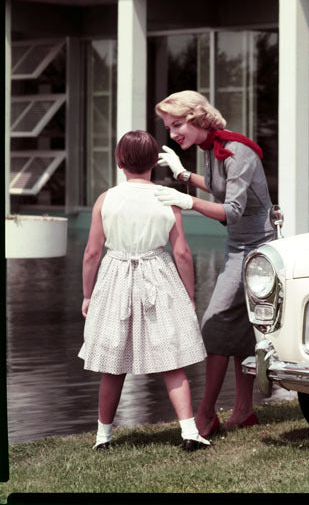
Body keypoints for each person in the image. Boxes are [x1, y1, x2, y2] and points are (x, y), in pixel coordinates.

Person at [153, 90, 275, 439]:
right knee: (241, 330)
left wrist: (187, 201)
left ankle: (205, 415)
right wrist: (184, 176)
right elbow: (222, 189)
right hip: (237, 244)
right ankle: (243, 411)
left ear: (197, 117)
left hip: (259, 248)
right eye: (168, 127)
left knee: (216, 323)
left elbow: (232, 209)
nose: (173, 134)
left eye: (178, 124)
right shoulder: (212, 149)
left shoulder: (239, 150)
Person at [78, 130, 210, 452]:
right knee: (172, 357)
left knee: (113, 363)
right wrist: (189, 294)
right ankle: (189, 431)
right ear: (155, 162)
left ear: (118, 161)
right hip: (158, 274)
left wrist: (87, 294)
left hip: (115, 276)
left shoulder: (106, 199)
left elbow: (92, 253)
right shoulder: (166, 198)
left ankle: (103, 437)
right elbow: (181, 253)